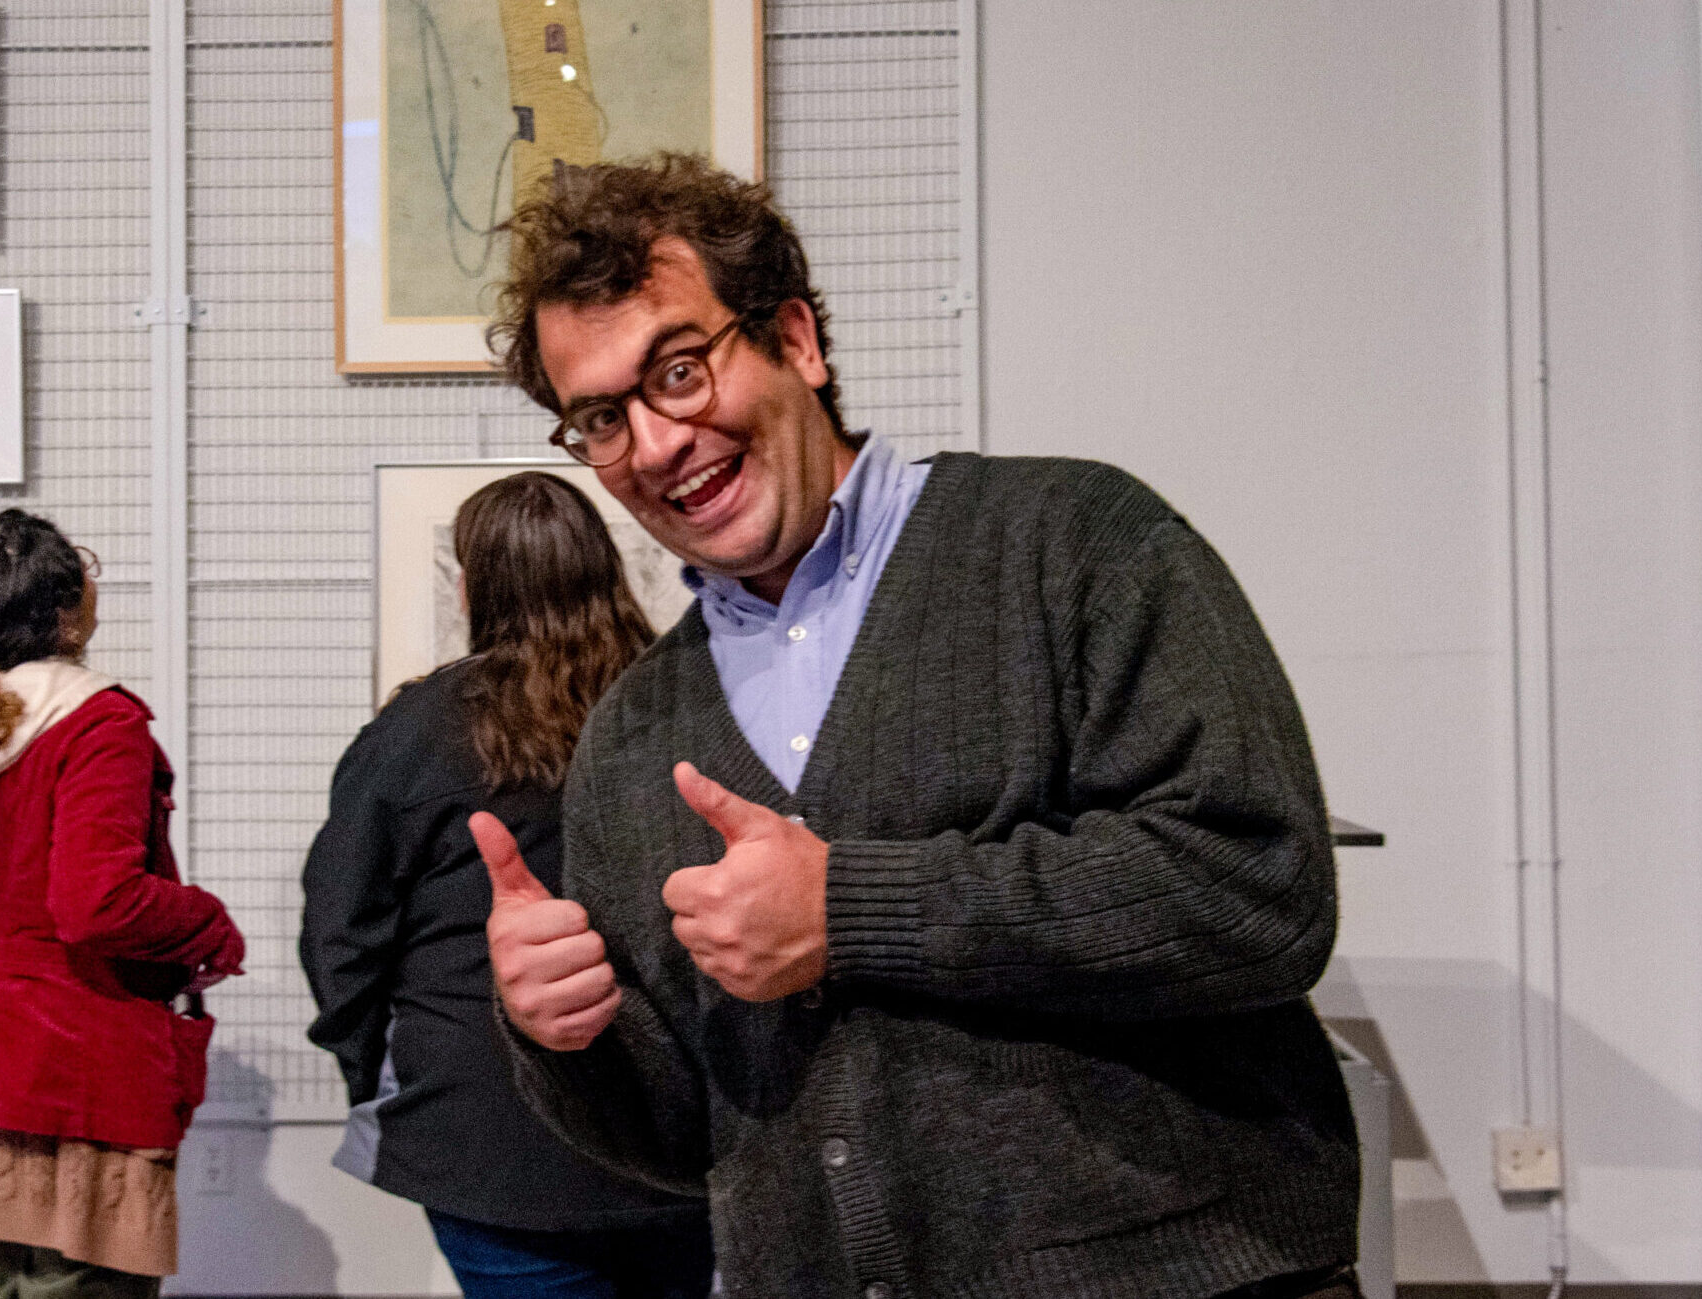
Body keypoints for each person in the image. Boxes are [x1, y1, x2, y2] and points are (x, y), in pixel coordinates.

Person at [472, 154, 1361, 1299]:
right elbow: (688, 1134)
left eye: (679, 372)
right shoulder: (637, 732)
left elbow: (1257, 891)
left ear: (794, 340)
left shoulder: (1073, 542)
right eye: (599, 417)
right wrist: (563, 1034)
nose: (651, 446)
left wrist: (848, 910)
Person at [300, 473, 714, 1299]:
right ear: (605, 568)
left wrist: (380, 1077)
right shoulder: (693, 705)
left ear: (474, 585)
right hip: (676, 1119)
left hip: (483, 1129)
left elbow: (342, 934)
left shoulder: (415, 731)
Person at [0, 508, 244, 1299]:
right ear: (65, 614)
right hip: (79, 1074)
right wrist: (208, 923)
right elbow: (96, 902)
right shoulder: (99, 723)